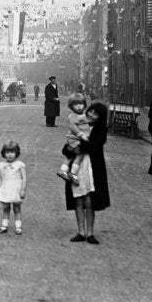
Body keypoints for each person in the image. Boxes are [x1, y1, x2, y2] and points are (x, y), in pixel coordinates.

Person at [64, 101, 110, 244]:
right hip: (77, 167)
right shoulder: (79, 124)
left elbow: (94, 147)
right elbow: (65, 149)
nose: (91, 114)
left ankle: (90, 233)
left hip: (93, 167)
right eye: (90, 111)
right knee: (78, 200)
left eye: (96, 114)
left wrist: (77, 145)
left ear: (100, 118)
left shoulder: (101, 130)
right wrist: (72, 146)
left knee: (90, 201)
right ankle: (80, 232)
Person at [57, 93, 90, 185]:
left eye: (81, 104)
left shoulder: (83, 115)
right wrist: (80, 134)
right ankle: (73, 173)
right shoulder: (73, 116)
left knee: (70, 156)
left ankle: (63, 170)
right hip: (74, 139)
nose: (79, 106)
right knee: (80, 155)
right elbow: (72, 126)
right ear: (71, 106)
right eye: (76, 105)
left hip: (76, 140)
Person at [0, 140, 27, 235]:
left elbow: (24, 178)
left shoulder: (19, 165)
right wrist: (0, 186)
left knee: (17, 208)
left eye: (12, 152)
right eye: (7, 152)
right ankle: (4, 225)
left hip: (16, 190)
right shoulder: (2, 165)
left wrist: (23, 189)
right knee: (6, 208)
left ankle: (18, 227)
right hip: (6, 189)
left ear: (16, 153)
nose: (10, 155)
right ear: (4, 153)